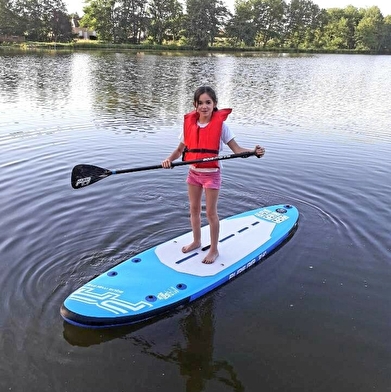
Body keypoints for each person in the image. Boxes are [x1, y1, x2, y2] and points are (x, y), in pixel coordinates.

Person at [162, 86, 265, 264]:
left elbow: (237, 150)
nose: (204, 106)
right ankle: (196, 241)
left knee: (210, 213)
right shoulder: (189, 125)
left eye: (208, 102)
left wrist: (253, 152)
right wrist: (169, 160)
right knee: (193, 209)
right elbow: (180, 150)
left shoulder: (222, 126)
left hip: (212, 175)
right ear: (195, 105)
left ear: (214, 104)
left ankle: (214, 249)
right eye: (200, 103)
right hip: (193, 173)